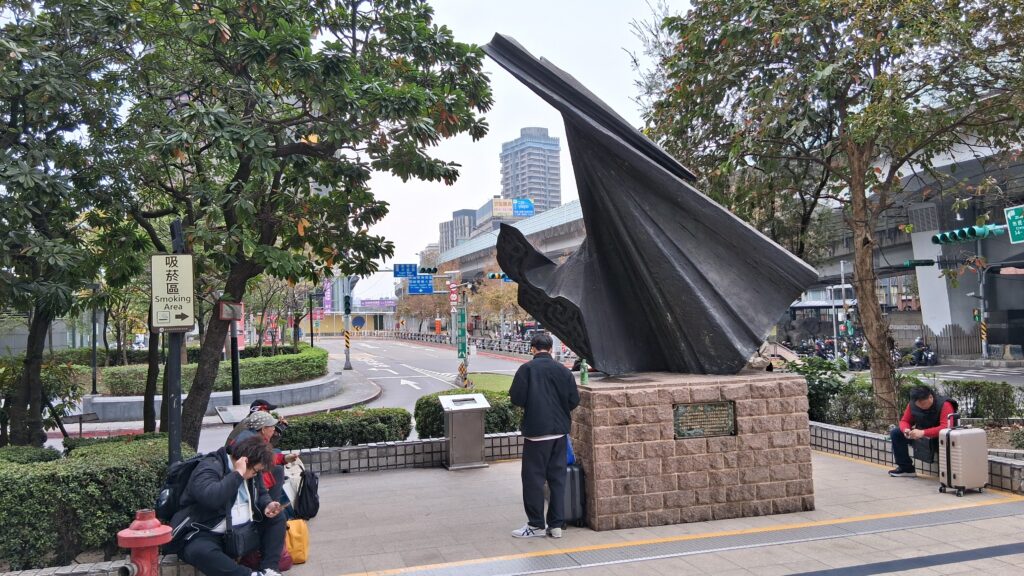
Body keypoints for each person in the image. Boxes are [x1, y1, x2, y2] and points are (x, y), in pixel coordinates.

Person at [178, 436, 286, 576]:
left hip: (245, 529)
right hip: (211, 530)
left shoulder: (253, 470)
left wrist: (267, 504)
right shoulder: (210, 466)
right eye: (255, 470)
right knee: (198, 551)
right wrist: (237, 474)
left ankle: (269, 569)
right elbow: (211, 498)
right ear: (245, 460)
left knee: (277, 518)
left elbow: (261, 492)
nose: (256, 474)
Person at [508, 332, 580, 539]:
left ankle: (536, 524)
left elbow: (517, 398)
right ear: (550, 349)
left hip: (536, 433)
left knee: (533, 480)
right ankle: (556, 525)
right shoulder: (562, 370)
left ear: (532, 348)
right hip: (559, 433)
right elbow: (573, 400)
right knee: (557, 479)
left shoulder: (526, 369)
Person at [226, 410, 297, 503]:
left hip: (244, 472)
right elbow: (263, 459)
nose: (274, 429)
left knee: (277, 459)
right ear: (263, 429)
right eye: (272, 426)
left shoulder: (249, 434)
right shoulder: (254, 441)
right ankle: (271, 505)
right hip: (248, 476)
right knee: (278, 471)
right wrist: (284, 458)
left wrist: (284, 458)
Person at [888, 385, 957, 477]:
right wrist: (906, 430)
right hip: (921, 434)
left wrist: (923, 433)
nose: (922, 407)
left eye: (924, 404)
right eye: (919, 405)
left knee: (945, 439)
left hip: (940, 438)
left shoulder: (945, 405)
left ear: (930, 397)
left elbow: (946, 427)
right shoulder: (912, 404)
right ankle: (906, 469)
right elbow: (905, 421)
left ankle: (949, 475)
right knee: (896, 433)